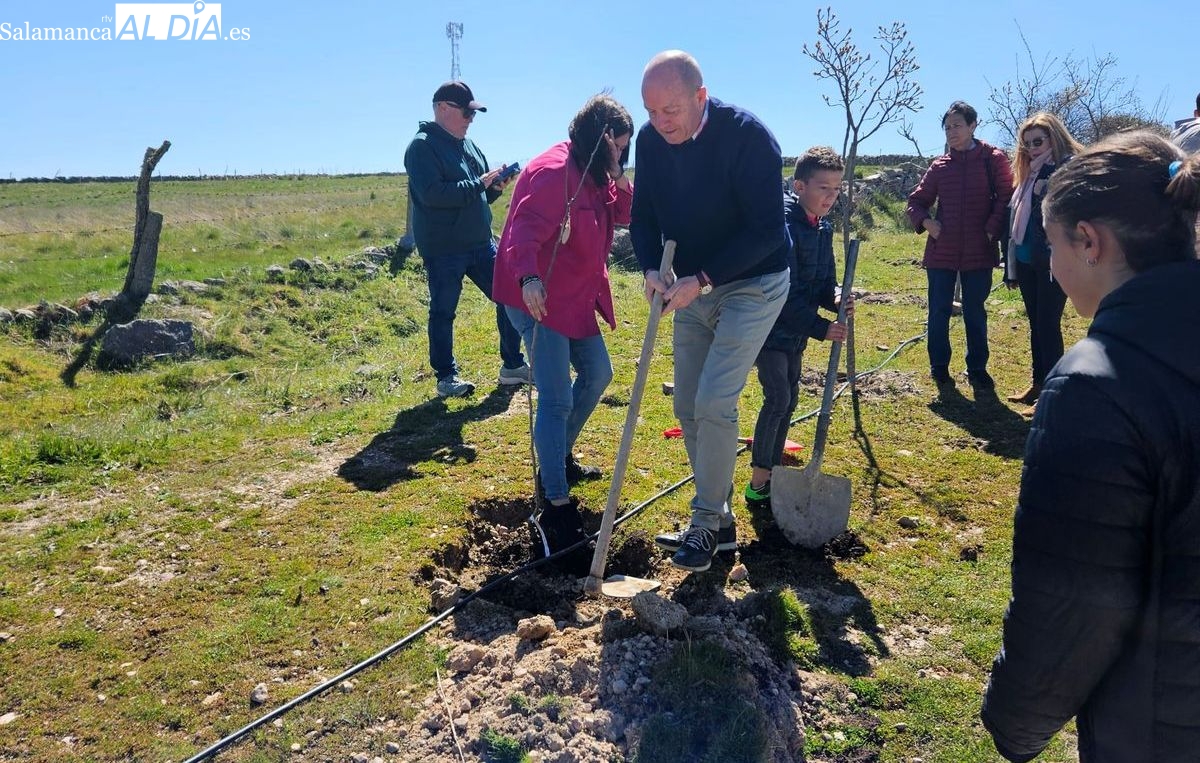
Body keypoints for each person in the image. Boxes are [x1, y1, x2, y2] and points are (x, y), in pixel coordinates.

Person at [981, 133, 1200, 762]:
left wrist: (1015, 725)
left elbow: (1074, 607)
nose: (1048, 266)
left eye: (1051, 245)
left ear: (1090, 241)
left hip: (1159, 726)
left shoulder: (1096, 386)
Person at [631, 50, 790, 573]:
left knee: (716, 400)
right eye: (651, 112)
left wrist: (702, 280)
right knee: (687, 407)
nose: (660, 123)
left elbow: (768, 230)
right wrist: (653, 269)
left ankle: (703, 524)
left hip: (754, 282)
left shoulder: (749, 138)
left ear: (701, 97)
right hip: (689, 285)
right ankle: (718, 526)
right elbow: (643, 215)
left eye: (671, 110)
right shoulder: (651, 142)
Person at [493, 94, 634, 557]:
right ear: (601, 140)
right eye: (619, 147)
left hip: (575, 297)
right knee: (553, 397)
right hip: (539, 298)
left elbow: (632, 213)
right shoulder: (554, 172)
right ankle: (554, 501)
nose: (623, 155)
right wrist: (529, 277)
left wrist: (618, 174)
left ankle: (556, 459)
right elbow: (522, 233)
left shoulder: (598, 175)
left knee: (598, 375)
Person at [403, 81, 530, 398]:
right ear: (442, 109)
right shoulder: (421, 147)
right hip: (444, 249)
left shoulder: (470, 146)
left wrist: (493, 188)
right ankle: (446, 377)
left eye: (473, 114)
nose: (470, 119)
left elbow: (479, 196)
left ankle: (513, 365)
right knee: (444, 311)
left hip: (480, 243)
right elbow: (434, 195)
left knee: (510, 295)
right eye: (465, 113)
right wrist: (479, 185)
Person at [744, 147, 854, 510]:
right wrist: (822, 328)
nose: (830, 197)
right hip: (769, 328)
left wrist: (836, 298)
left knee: (789, 397)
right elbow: (785, 297)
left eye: (837, 189)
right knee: (777, 397)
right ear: (799, 185)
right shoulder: (785, 227)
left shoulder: (821, 228)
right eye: (823, 188)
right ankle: (758, 480)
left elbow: (824, 282)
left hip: (795, 333)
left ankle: (773, 469)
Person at [907, 101, 1013, 391]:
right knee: (938, 310)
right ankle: (939, 367)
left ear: (973, 125)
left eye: (957, 125)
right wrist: (927, 223)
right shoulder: (940, 166)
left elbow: (1006, 197)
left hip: (980, 249)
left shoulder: (994, 159)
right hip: (942, 251)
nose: (951, 132)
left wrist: (992, 230)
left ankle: (977, 368)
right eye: (947, 127)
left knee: (975, 310)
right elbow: (916, 202)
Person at [1002, 112, 1083, 415]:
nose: (1033, 148)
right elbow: (1013, 219)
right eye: (1027, 144)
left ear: (1054, 137)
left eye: (1038, 141)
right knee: (1036, 323)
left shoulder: (1066, 168)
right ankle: (1038, 383)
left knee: (1048, 325)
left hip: (1051, 261)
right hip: (1025, 259)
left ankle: (1051, 395)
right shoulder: (1027, 173)